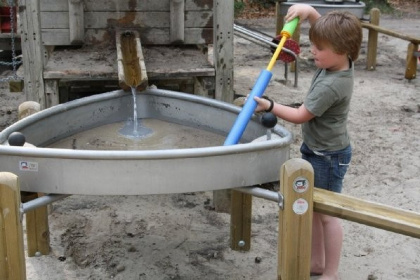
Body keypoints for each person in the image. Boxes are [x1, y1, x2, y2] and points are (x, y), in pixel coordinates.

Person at [253, 4, 363, 280]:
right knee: (313, 209)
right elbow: (326, 29)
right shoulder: (342, 60)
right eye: (313, 44)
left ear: (341, 49)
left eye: (319, 47)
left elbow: (300, 115)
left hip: (328, 155)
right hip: (319, 149)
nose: (312, 50)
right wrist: (310, 11)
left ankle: (331, 272)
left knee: (327, 214)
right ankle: (316, 262)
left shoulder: (331, 85)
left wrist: (270, 105)